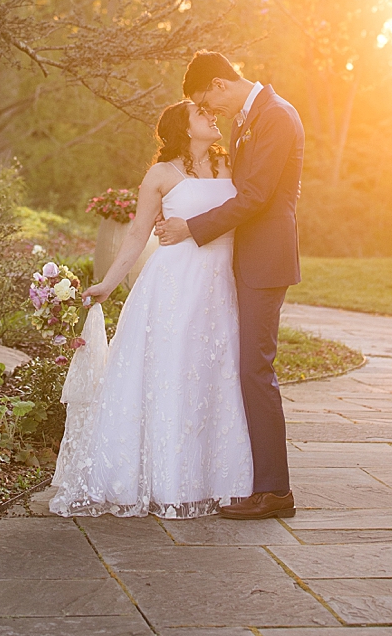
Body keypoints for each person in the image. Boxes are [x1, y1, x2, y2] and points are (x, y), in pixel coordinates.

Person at [51, 100, 252, 517]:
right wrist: (107, 282)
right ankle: (169, 481)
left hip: (221, 287)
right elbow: (139, 233)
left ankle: (218, 479)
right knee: (174, 374)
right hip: (174, 287)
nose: (213, 116)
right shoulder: (160, 175)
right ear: (183, 126)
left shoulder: (232, 165)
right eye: (202, 113)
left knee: (217, 375)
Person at [155, 51, 305, 520]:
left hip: (265, 260)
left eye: (206, 102)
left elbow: (258, 195)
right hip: (246, 258)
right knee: (245, 368)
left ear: (219, 84)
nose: (210, 112)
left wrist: (192, 228)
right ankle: (256, 480)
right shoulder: (250, 117)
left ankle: (275, 491)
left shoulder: (276, 115)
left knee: (255, 370)